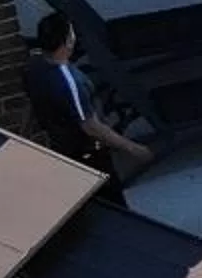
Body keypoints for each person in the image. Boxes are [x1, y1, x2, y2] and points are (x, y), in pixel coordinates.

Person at [22, 13, 156, 179]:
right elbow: (90, 126)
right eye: (72, 33)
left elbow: (31, 103)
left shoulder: (33, 67)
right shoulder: (69, 82)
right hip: (86, 154)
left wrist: (24, 135)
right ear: (67, 41)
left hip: (61, 147)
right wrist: (135, 149)